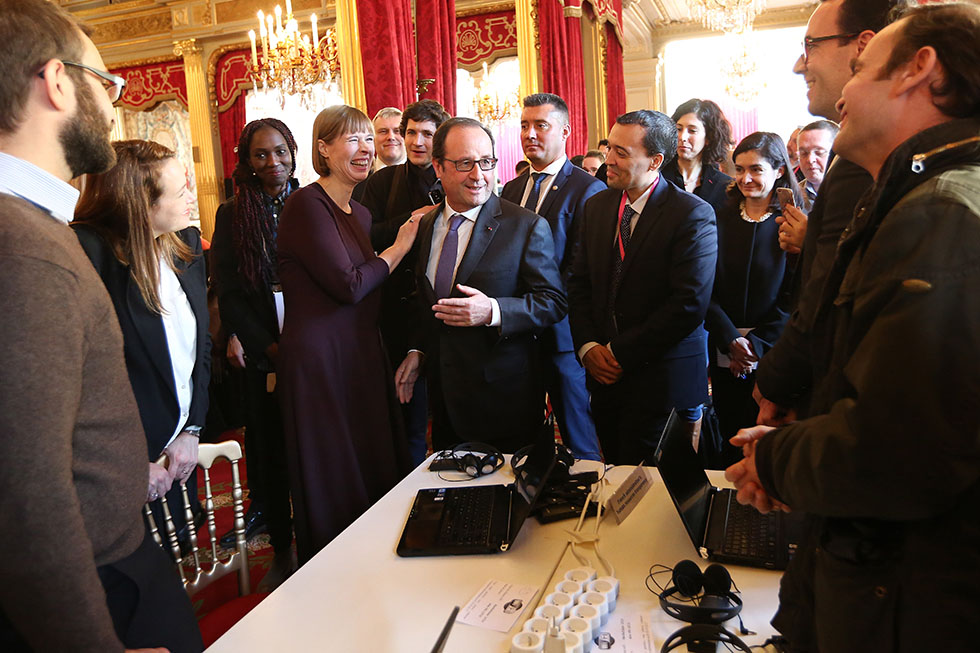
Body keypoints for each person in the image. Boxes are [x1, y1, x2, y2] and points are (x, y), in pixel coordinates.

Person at [727, 4, 980, 650]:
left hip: (910, 592)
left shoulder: (941, 212)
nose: (840, 86)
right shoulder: (923, 193)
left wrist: (775, 459)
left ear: (918, 70)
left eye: (863, 67)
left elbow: (900, 448)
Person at [0, 0, 199, 650]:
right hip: (97, 579)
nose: (115, 106)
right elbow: (26, 495)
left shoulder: (36, 225)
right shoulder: (23, 245)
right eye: (106, 83)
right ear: (57, 82)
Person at [276, 105, 417, 564]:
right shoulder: (306, 204)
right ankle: (334, 572)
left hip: (359, 353)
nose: (365, 149)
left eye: (368, 139)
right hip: (320, 360)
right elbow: (350, 285)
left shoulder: (360, 213)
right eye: (352, 139)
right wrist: (398, 248)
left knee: (371, 466)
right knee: (334, 472)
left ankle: (376, 564)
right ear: (323, 148)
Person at [756, 0, 894, 424]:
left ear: (862, 47)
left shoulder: (864, 153)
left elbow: (829, 292)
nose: (800, 64)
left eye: (811, 45)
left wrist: (774, 382)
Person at [395, 117, 567, 453]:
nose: (479, 175)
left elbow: (553, 302)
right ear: (438, 167)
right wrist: (418, 351)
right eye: (465, 164)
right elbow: (425, 299)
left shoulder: (525, 226)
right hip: (445, 403)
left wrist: (493, 311)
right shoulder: (425, 225)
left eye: (486, 162)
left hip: (505, 404)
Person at [73, 140, 210, 545]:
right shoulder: (90, 254)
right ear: (140, 204)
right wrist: (130, 462)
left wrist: (192, 429)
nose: (191, 197)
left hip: (179, 449)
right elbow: (83, 381)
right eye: (180, 191)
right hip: (122, 463)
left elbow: (200, 348)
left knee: (178, 553)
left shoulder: (186, 242)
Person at [567, 110, 717, 465]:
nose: (609, 160)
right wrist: (589, 347)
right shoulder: (596, 206)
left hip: (661, 379)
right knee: (614, 473)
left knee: (651, 487)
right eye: (609, 148)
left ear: (655, 161)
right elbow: (580, 284)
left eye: (621, 152)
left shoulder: (691, 214)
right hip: (603, 378)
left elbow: (688, 304)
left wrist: (618, 352)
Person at [210, 118, 297, 588]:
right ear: (247, 161)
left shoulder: (311, 200)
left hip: (310, 347)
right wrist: (267, 345)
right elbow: (230, 293)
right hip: (265, 353)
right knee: (270, 452)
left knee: (311, 449)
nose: (273, 162)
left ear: (293, 151)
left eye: (280, 151)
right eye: (261, 154)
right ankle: (282, 549)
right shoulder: (233, 213)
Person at [502, 93, 606, 460]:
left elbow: (582, 267)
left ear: (564, 131)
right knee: (524, 437)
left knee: (578, 435)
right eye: (524, 126)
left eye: (540, 125)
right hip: (516, 334)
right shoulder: (512, 189)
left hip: (562, 334)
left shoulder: (588, 189)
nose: (529, 134)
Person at [360, 99, 450, 465]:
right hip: (396, 310)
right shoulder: (382, 182)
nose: (416, 141)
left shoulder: (454, 179)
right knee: (406, 409)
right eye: (410, 132)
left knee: (448, 410)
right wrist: (413, 220)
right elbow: (367, 235)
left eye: (427, 134)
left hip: (443, 307)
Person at [704, 133, 802, 462]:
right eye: (740, 169)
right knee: (730, 435)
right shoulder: (718, 218)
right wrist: (730, 339)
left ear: (779, 171)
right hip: (724, 344)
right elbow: (705, 286)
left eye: (756, 169)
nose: (746, 178)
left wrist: (755, 345)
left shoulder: (793, 224)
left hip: (774, 349)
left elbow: (795, 295)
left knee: (766, 439)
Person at [662, 98, 735, 214]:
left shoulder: (724, 185)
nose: (682, 137)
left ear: (709, 138)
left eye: (692, 131)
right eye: (678, 129)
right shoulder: (657, 176)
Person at [795, 119, 838, 208]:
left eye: (819, 153)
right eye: (804, 153)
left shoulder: (852, 192)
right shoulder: (794, 196)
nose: (810, 160)